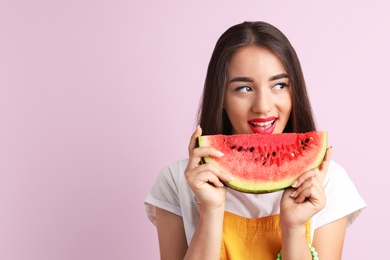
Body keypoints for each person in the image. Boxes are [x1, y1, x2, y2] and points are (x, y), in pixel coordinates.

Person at [144, 21, 366, 260]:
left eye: (279, 85)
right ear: (220, 96)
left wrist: (293, 228)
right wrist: (211, 210)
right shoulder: (176, 182)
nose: (263, 106)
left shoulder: (328, 183)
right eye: (244, 88)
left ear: (295, 92)